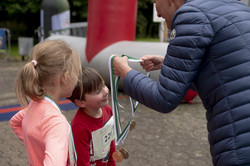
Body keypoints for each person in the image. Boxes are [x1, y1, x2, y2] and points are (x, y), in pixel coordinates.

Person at [112, 0, 250, 165]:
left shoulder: (191, 14)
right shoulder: (237, 7)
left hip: (239, 142)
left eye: (156, 1)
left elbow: (164, 98)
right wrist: (167, 63)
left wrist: (125, 72)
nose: (157, 13)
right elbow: (226, 70)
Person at [10, 39, 82, 166]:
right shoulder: (56, 123)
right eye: (76, 74)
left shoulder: (34, 105)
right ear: (64, 78)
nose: (78, 80)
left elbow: (14, 122)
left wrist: (36, 148)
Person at [68, 67, 116, 166]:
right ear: (81, 102)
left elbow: (110, 144)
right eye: (98, 92)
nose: (106, 91)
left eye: (104, 85)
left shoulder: (107, 110)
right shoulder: (79, 127)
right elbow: (82, 162)